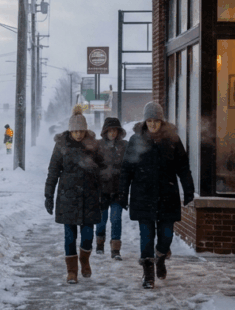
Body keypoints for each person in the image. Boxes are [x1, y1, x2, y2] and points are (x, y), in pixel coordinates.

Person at [119, 101, 194, 289]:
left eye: (156, 120)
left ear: (161, 121)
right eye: (149, 120)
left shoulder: (173, 140)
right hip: (142, 195)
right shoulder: (136, 141)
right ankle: (148, 274)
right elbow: (127, 169)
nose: (152, 124)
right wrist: (122, 193)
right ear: (145, 122)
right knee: (146, 235)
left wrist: (189, 188)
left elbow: (183, 167)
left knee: (166, 236)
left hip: (167, 194)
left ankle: (160, 257)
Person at [45, 105, 104, 284]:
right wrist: (49, 196)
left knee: (87, 236)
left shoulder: (94, 145)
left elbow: (103, 170)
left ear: (85, 130)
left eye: (81, 131)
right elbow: (53, 171)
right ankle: (71, 271)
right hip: (67, 197)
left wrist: (105, 193)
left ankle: (84, 260)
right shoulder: (61, 145)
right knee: (69, 237)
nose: (78, 134)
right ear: (70, 130)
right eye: (75, 131)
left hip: (90, 197)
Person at [96, 117, 128, 259]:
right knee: (101, 221)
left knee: (116, 220)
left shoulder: (124, 146)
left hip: (117, 190)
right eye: (110, 130)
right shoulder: (98, 146)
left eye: (115, 130)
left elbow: (129, 166)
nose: (113, 133)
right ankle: (99, 243)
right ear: (105, 131)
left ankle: (115, 250)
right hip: (102, 191)